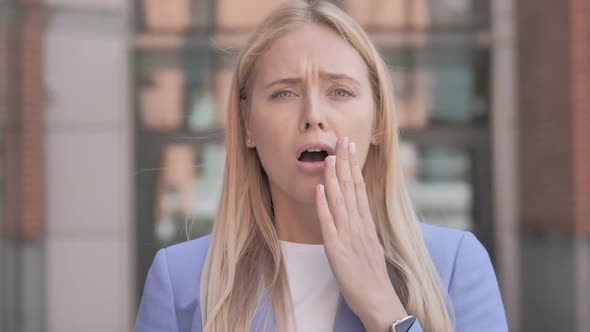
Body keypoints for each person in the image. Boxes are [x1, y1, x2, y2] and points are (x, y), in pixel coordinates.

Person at [134, 1, 508, 331]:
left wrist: (383, 308)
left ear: (378, 121)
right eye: (284, 92)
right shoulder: (180, 280)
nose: (313, 115)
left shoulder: (456, 264)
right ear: (248, 125)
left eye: (340, 91)